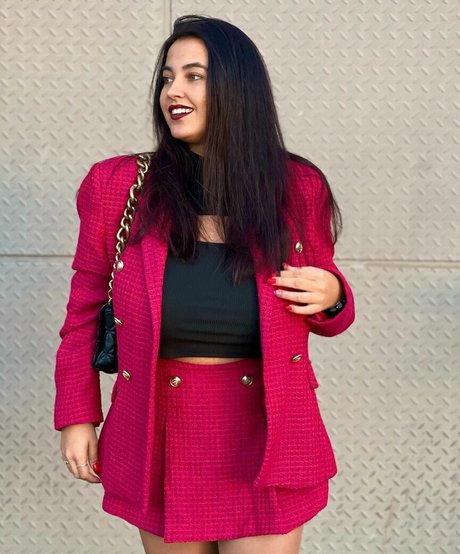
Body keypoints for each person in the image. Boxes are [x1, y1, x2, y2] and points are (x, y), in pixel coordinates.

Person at [54, 14, 355, 554]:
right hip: (160, 426)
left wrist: (332, 296)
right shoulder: (117, 185)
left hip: (266, 428)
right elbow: (83, 313)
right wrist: (77, 416)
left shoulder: (297, 187)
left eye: (194, 76)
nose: (174, 91)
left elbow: (328, 311)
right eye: (168, 78)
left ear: (238, 89)